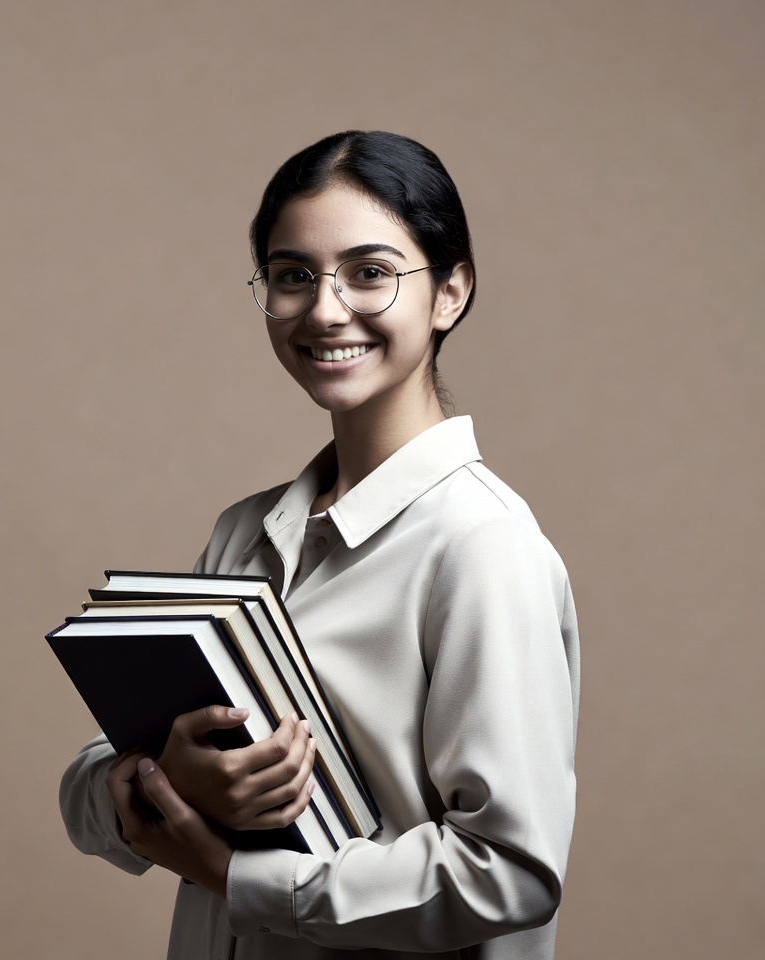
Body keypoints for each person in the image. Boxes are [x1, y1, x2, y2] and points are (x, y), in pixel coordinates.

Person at [59, 130, 580, 960]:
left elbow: (508, 872)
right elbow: (90, 785)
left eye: (371, 272)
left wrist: (241, 876)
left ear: (451, 292)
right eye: (293, 276)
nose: (326, 308)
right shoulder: (245, 531)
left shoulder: (482, 547)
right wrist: (164, 782)